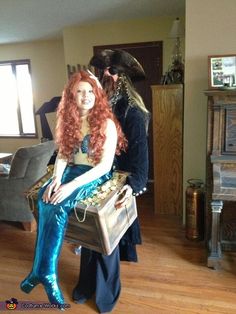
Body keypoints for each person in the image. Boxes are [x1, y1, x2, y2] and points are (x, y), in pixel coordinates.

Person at [20, 70, 126, 309]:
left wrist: (68, 187)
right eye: (79, 91)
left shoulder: (106, 123)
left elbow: (103, 167)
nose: (85, 96)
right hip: (72, 172)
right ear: (71, 96)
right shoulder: (70, 120)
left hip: (95, 176)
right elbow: (64, 155)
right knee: (45, 198)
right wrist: (56, 179)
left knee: (59, 205)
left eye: (90, 91)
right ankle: (40, 270)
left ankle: (45, 274)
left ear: (97, 94)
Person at [72, 49, 149, 312]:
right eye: (104, 72)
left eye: (112, 71)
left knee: (106, 240)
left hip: (115, 181)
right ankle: (86, 285)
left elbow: (140, 154)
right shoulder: (95, 107)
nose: (106, 76)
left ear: (123, 78)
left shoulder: (133, 113)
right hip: (89, 176)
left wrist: (133, 184)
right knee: (86, 234)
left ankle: (106, 295)